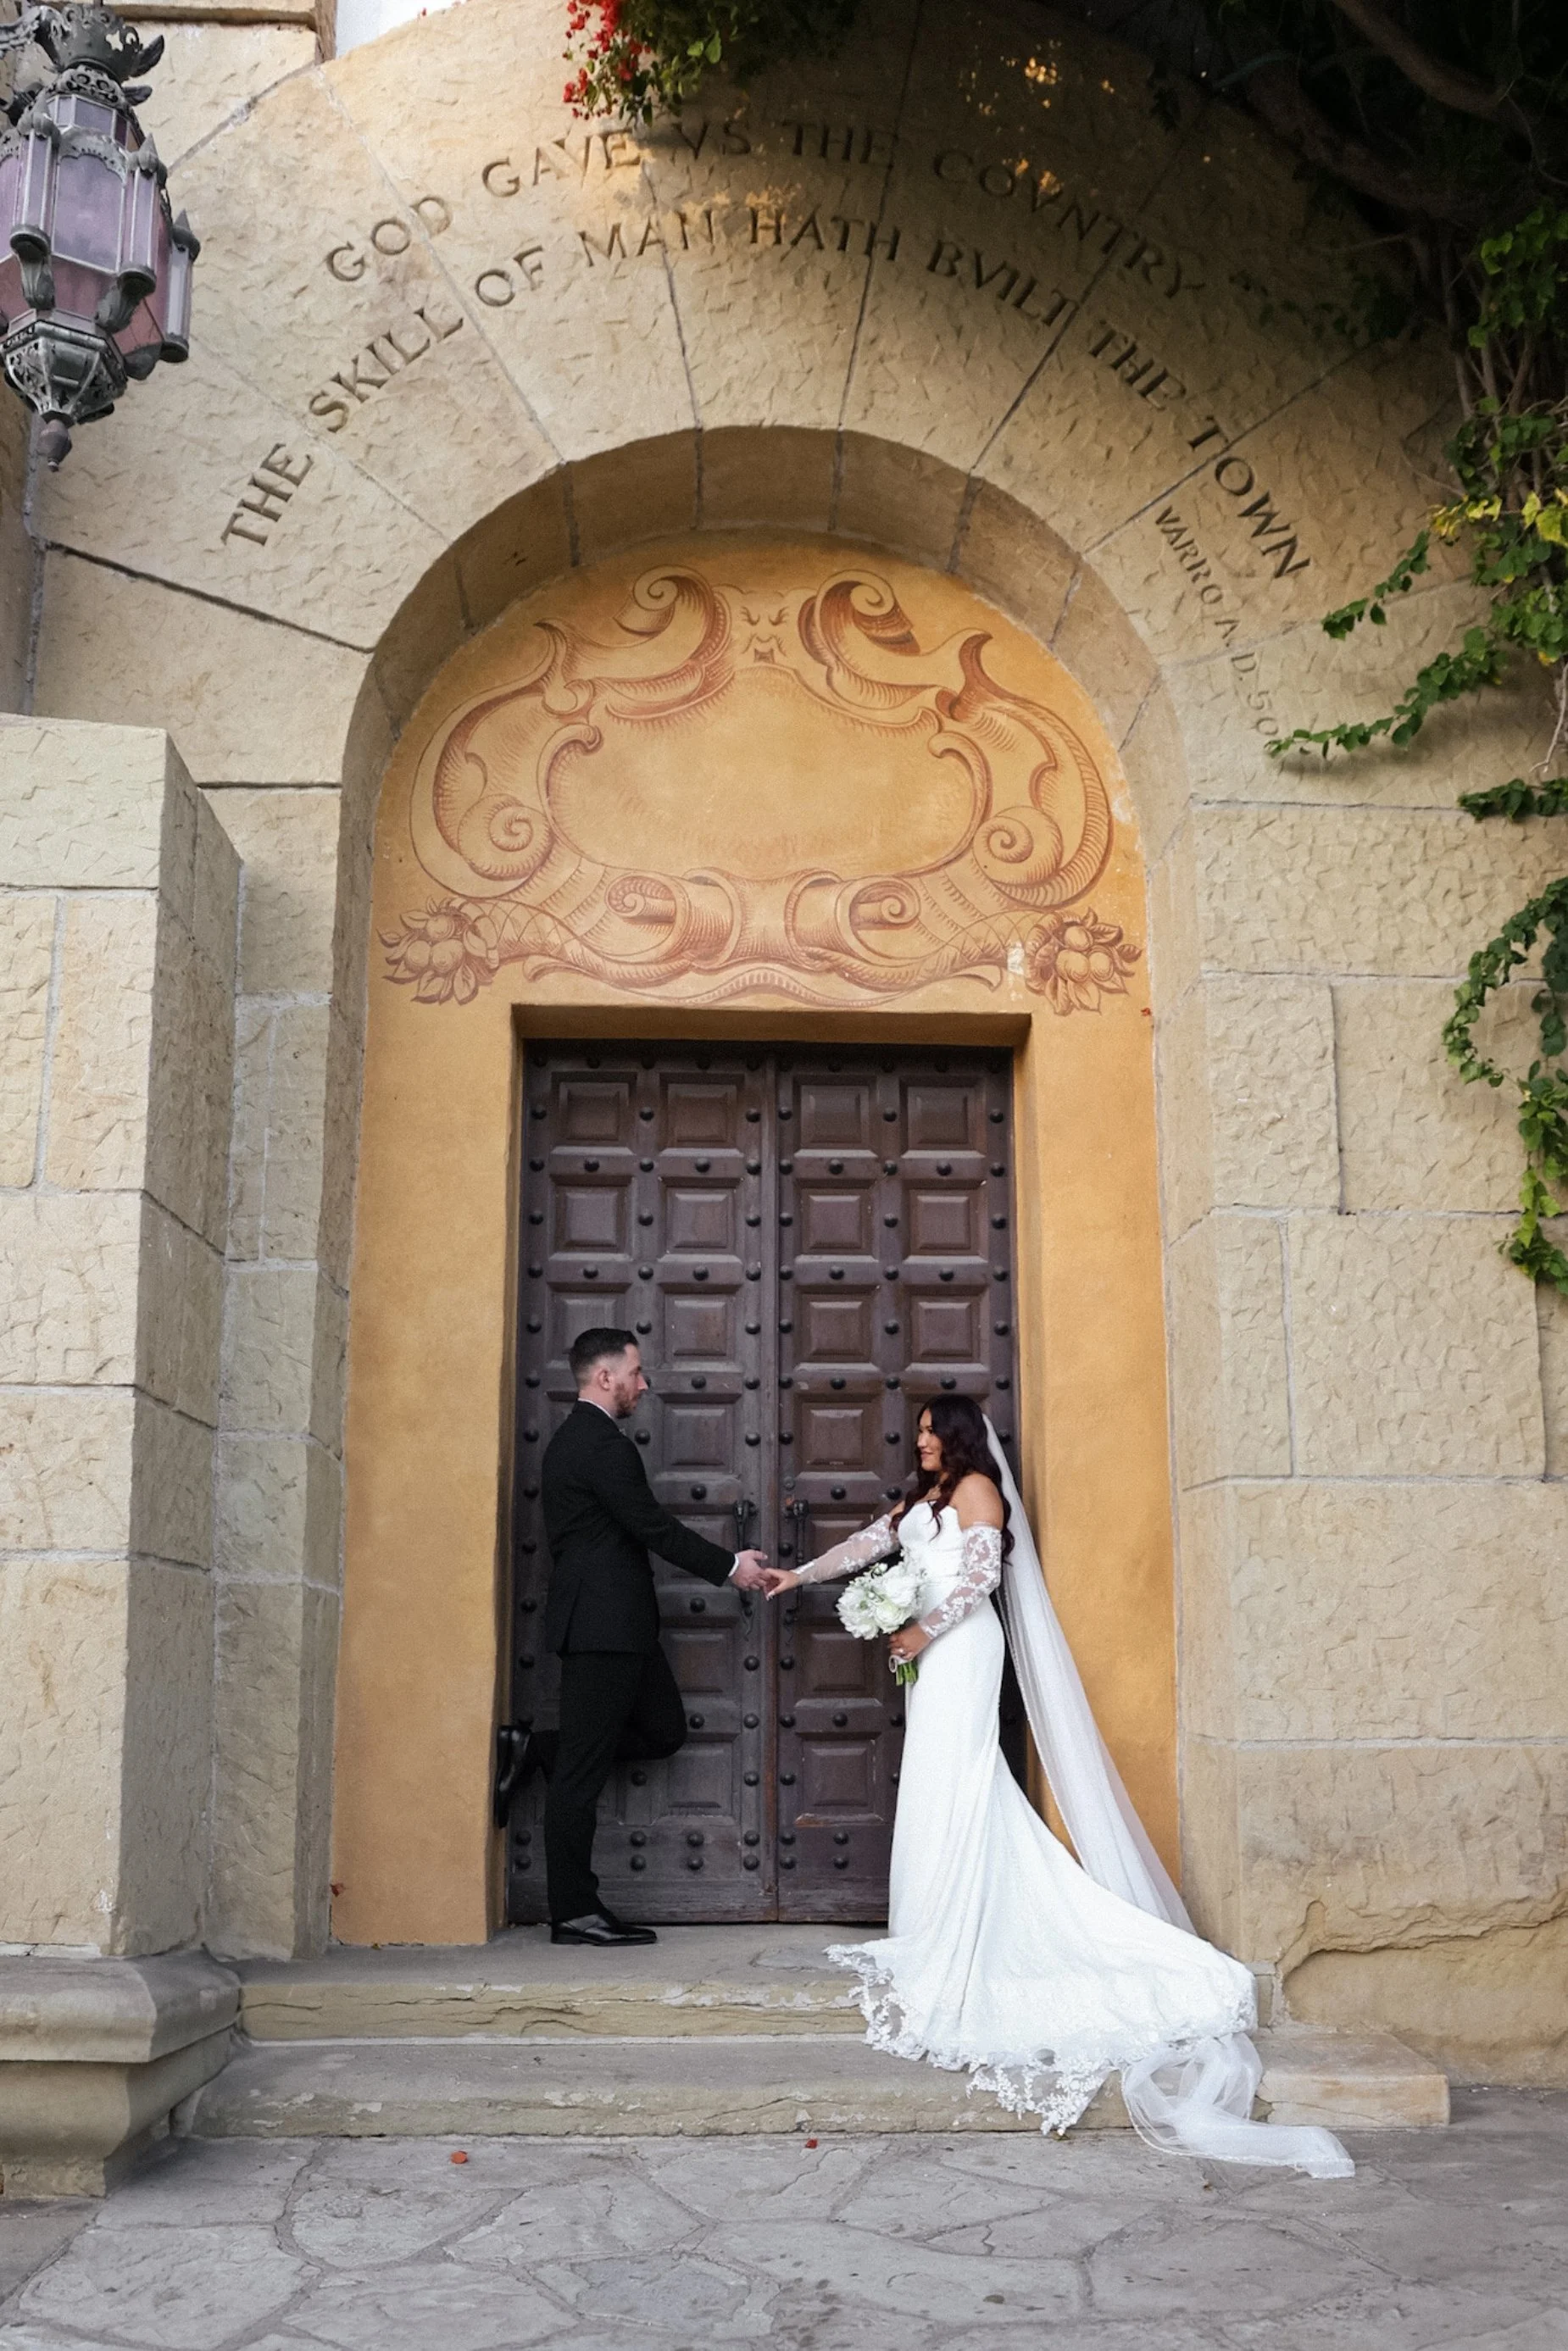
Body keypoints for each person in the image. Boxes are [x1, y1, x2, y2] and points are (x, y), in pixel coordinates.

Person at [762, 1394, 1352, 2176]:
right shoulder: (920, 1498)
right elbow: (872, 1544)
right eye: (924, 1433)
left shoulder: (978, 1492)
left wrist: (921, 1629)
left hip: (963, 1648)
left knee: (965, 1776)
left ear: (965, 1438)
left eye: (937, 1431)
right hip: (930, 1656)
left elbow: (975, 1583)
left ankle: (971, 1929)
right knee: (940, 1781)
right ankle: (932, 1919)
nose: (925, 1441)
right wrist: (796, 1573)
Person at [523, 1327, 770, 1948]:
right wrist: (729, 1567)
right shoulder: (598, 1445)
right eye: (635, 1372)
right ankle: (573, 1912)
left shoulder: (587, 1441)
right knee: (581, 1777)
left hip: (623, 1626)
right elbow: (652, 1526)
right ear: (604, 1377)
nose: (644, 1384)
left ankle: (543, 1749)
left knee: (663, 1729)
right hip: (601, 1628)